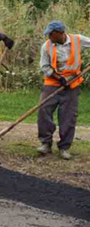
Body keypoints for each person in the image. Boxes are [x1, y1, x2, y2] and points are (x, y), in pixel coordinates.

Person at [37, 21, 90, 160]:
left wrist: (68, 80)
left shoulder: (78, 40)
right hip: (53, 82)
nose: (49, 37)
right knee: (44, 110)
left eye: (51, 34)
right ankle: (45, 143)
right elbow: (44, 66)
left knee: (68, 116)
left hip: (72, 84)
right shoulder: (46, 46)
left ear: (60, 33)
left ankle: (64, 147)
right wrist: (58, 78)